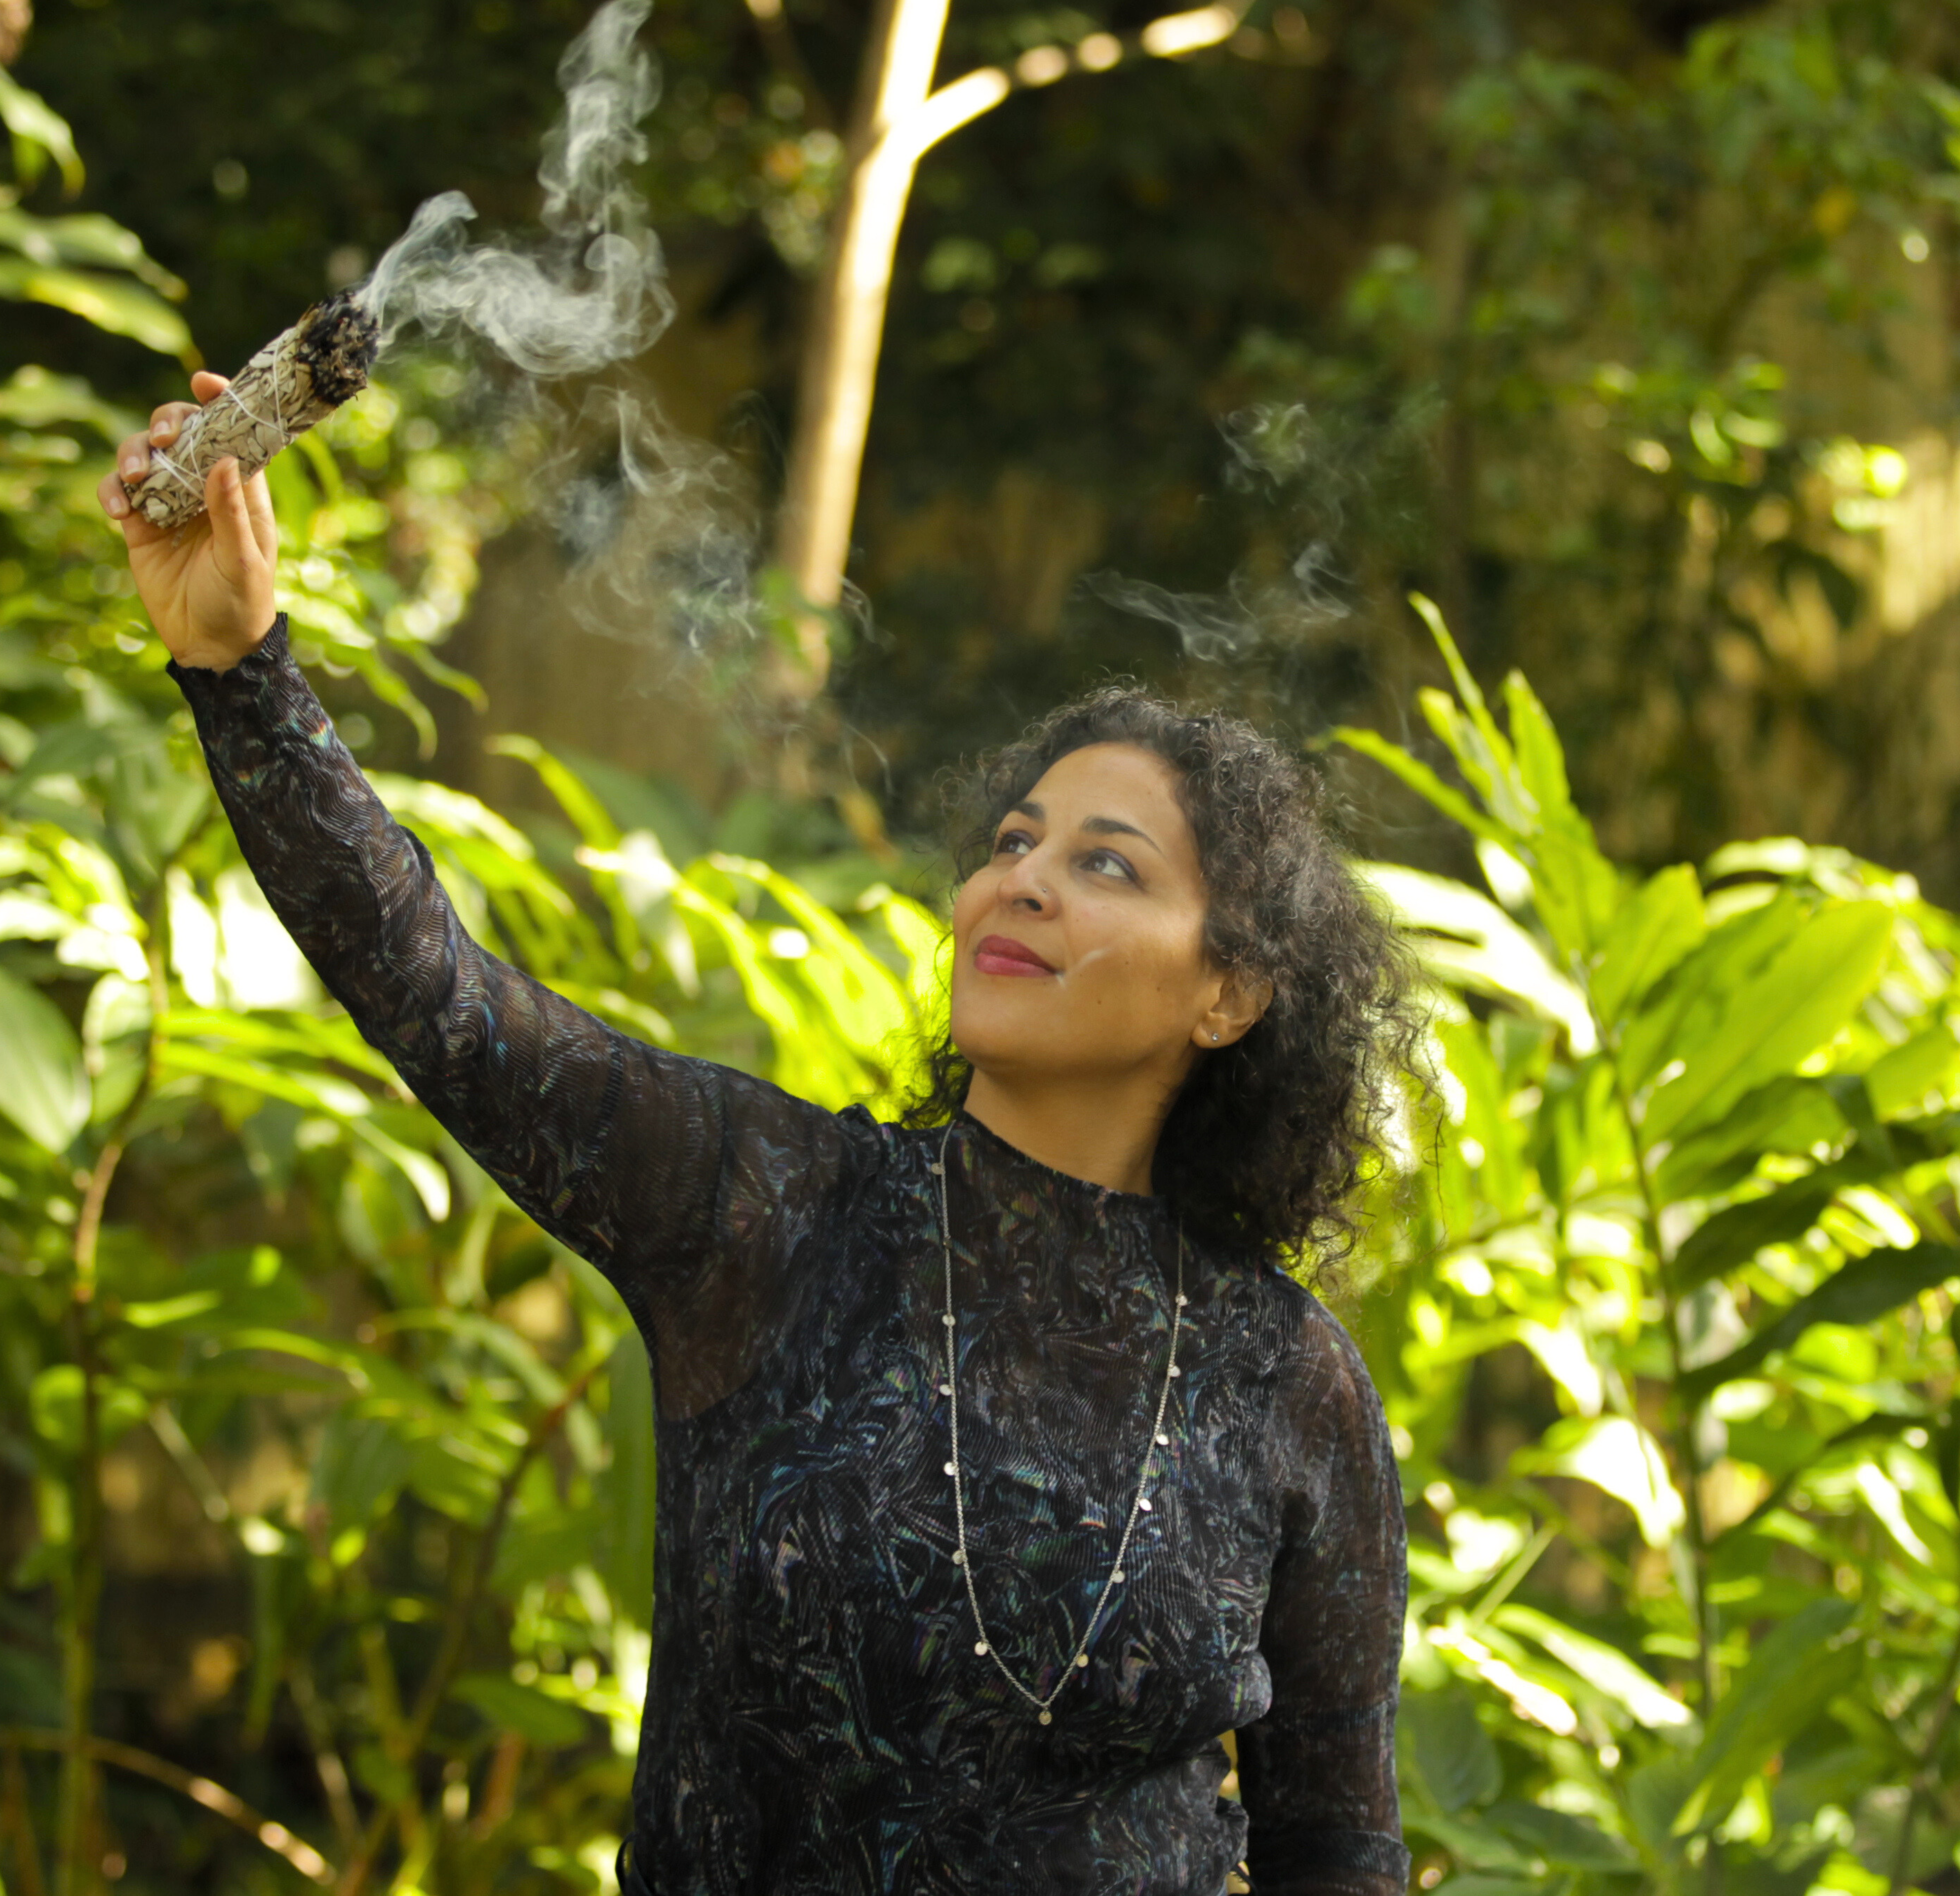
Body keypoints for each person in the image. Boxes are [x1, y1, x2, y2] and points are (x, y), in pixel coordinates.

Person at [103, 382, 1420, 1895]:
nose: (1021, 884)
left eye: (1104, 863)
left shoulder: (1285, 1379)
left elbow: (1337, 1844)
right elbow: (440, 995)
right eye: (1012, 845)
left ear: (1232, 995)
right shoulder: (769, 1210)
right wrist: (239, 667)